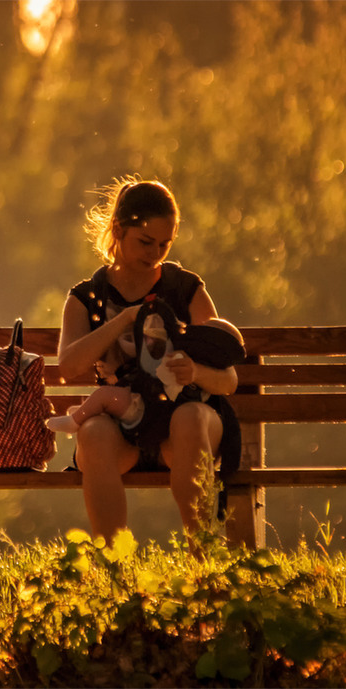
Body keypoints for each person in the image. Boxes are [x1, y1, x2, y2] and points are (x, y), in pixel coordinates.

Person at [55, 177, 241, 545]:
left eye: (164, 244)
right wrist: (124, 320)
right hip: (127, 427)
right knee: (92, 432)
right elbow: (68, 367)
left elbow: (229, 380)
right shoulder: (87, 297)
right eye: (145, 242)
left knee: (189, 418)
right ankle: (114, 565)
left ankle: (204, 558)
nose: (155, 253)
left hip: (187, 424)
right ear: (119, 231)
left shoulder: (186, 289)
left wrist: (197, 371)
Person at [46, 317, 244, 435]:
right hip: (152, 409)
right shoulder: (191, 361)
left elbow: (156, 374)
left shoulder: (185, 360)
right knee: (107, 402)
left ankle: (75, 421)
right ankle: (84, 412)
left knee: (105, 396)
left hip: (147, 409)